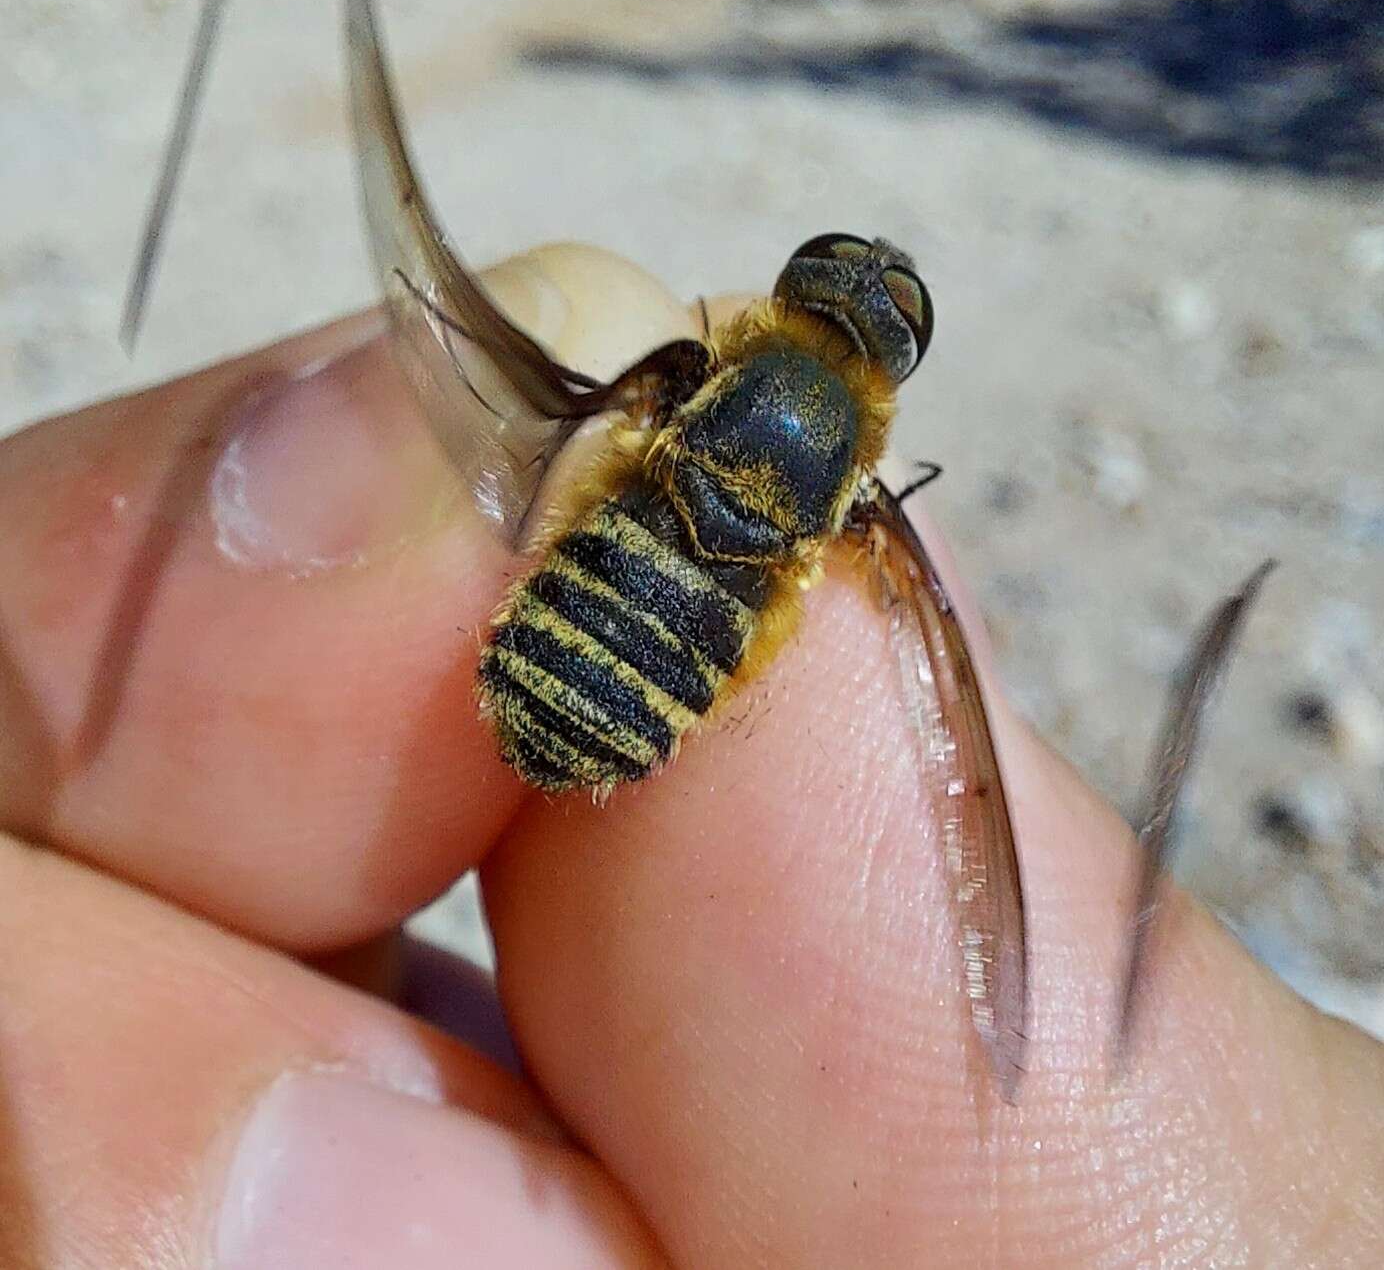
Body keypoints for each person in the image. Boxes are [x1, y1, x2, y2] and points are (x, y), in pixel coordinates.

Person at [0, 246, 1378, 1269]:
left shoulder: (688, 378)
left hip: (568, 646)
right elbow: (930, 679)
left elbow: (549, 402)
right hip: (628, 706)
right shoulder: (868, 516)